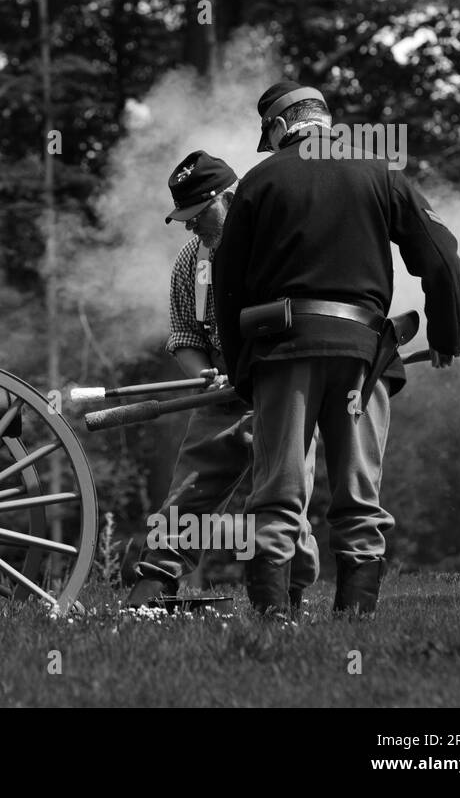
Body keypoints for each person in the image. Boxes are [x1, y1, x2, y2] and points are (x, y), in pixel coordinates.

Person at [213, 81, 460, 618]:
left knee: (278, 495)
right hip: (363, 357)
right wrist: (444, 334)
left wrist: (240, 371)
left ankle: (273, 622)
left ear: (280, 127)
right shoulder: (380, 172)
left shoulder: (259, 181)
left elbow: (228, 288)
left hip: (281, 354)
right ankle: (355, 620)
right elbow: (441, 256)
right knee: (359, 496)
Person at [125, 151, 319, 613]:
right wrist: (204, 378)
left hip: (279, 381)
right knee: (189, 487)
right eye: (184, 218)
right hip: (220, 391)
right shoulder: (189, 261)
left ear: (230, 198)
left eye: (199, 214)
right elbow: (184, 336)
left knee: (285, 490)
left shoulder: (276, 245)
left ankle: (288, 589)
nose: (191, 227)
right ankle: (157, 581)